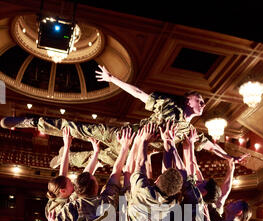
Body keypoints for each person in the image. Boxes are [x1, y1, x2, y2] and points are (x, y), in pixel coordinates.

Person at [1, 65, 248, 169]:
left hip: (131, 152)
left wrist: (229, 157)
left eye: (204, 102)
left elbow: (209, 145)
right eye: (199, 99)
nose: (203, 103)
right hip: (122, 135)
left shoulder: (189, 132)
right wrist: (111, 79)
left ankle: (65, 158)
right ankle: (29, 121)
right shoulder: (169, 106)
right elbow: (140, 94)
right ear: (187, 100)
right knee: (77, 128)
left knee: (95, 161)